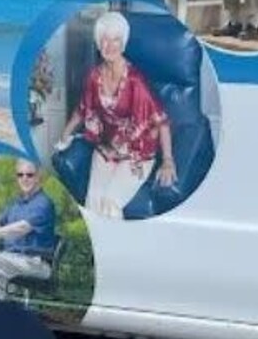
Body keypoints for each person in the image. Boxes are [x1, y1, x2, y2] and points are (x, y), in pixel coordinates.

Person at [53, 11, 176, 220]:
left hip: (137, 154)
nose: (109, 46)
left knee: (110, 204)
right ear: (98, 43)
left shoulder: (135, 81)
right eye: (104, 39)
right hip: (106, 149)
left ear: (123, 44)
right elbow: (83, 109)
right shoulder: (94, 76)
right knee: (93, 201)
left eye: (115, 40)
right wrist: (65, 135)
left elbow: (161, 122)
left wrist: (168, 160)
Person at [0, 160, 58, 297]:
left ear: (38, 177)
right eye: (20, 175)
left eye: (29, 175)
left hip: (35, 262)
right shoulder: (16, 203)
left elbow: (20, 228)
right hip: (12, 257)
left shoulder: (43, 203)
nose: (24, 178)